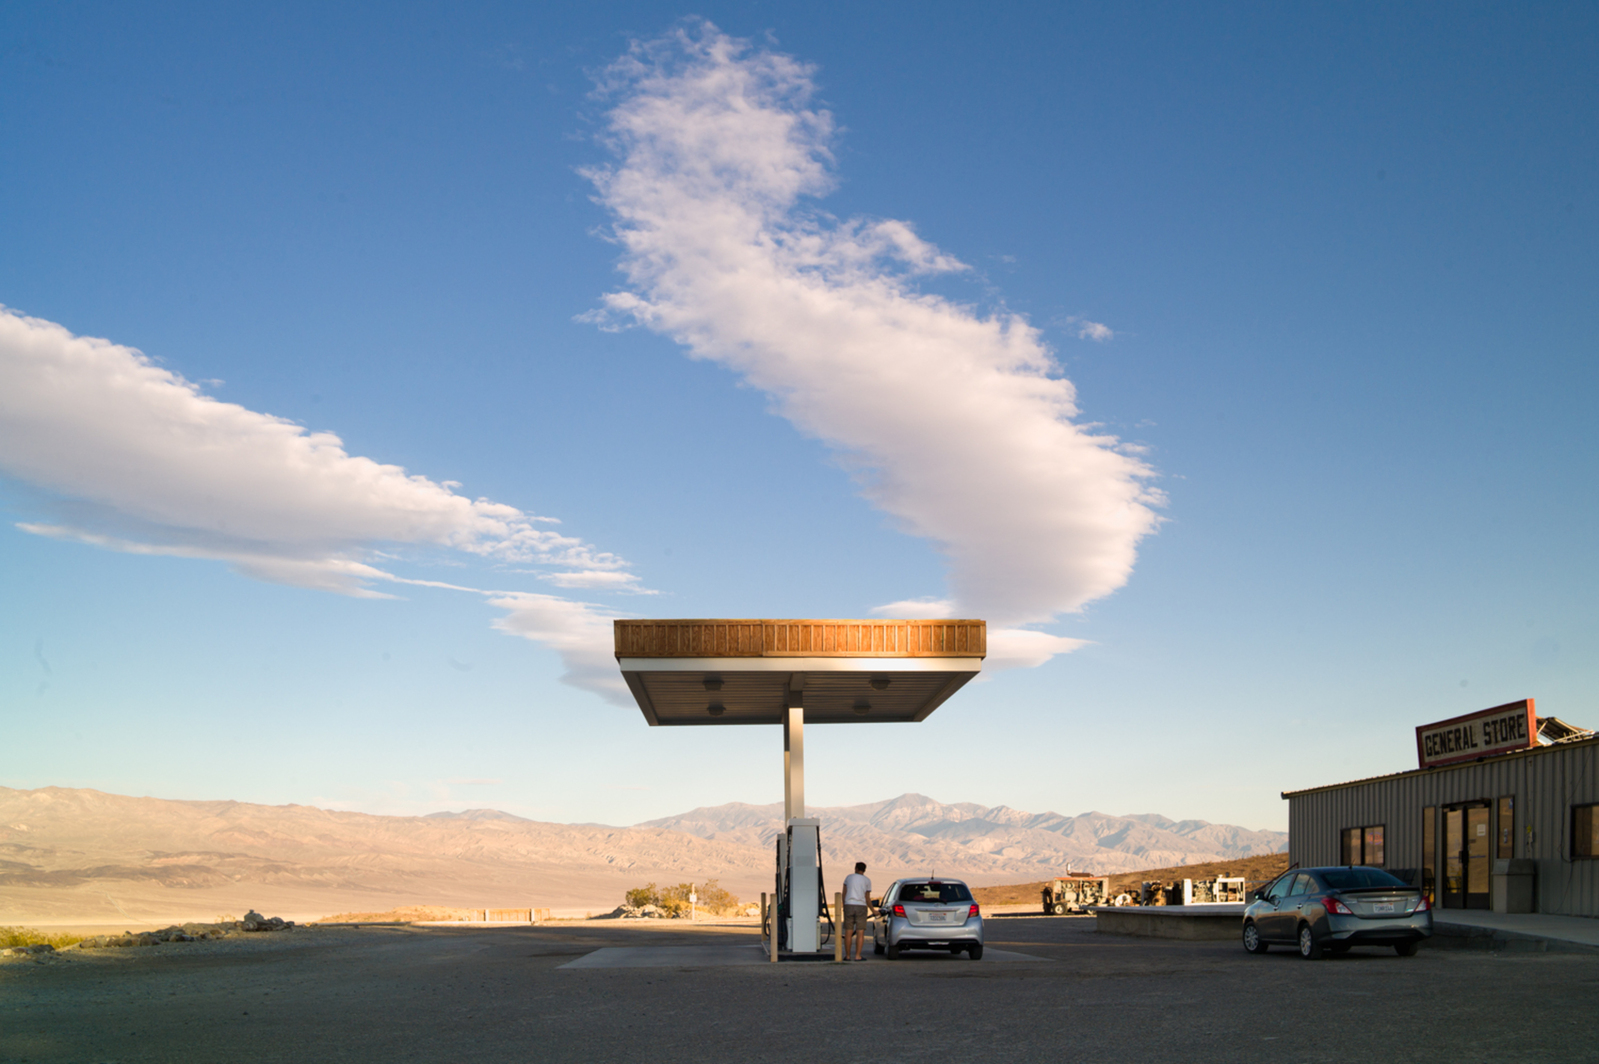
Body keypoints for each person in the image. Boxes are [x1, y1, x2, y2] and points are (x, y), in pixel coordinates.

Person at [841, 861, 872, 961]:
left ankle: (848, 955)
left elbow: (844, 893)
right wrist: (873, 910)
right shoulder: (867, 880)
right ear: (864, 870)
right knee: (860, 932)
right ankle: (858, 956)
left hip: (849, 905)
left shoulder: (849, 877)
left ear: (856, 868)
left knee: (848, 932)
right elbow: (867, 898)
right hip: (861, 906)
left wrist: (844, 905)